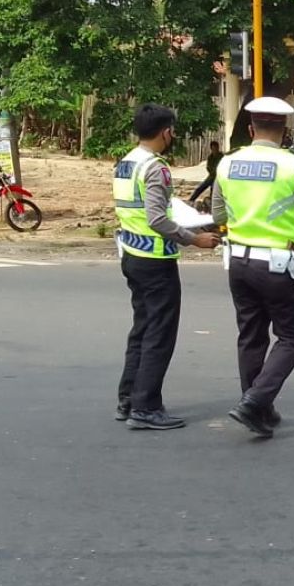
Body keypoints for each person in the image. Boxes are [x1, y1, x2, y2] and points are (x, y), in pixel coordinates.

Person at [212, 97, 294, 438]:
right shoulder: (292, 166)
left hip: (239, 262)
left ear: (250, 129)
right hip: (277, 265)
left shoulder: (228, 163)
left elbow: (219, 215)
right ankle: (255, 401)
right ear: (285, 131)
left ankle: (258, 407)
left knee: (251, 335)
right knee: (292, 335)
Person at [113, 104, 221, 430]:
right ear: (165, 132)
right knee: (159, 333)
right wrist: (194, 239)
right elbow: (157, 218)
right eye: (172, 130)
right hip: (156, 260)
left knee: (142, 329)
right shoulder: (156, 168)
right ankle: (145, 408)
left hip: (131, 254)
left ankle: (129, 398)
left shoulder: (126, 162)